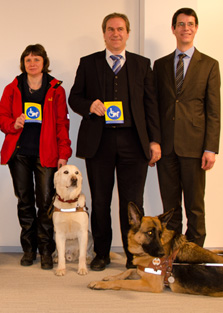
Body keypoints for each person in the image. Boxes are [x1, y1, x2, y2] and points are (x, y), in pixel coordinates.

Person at [69, 13, 161, 271]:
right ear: (104, 33)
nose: (116, 34)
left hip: (134, 143)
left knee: (132, 204)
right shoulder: (88, 63)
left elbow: (151, 106)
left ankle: (134, 255)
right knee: (100, 201)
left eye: (120, 29)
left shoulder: (143, 65)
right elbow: (74, 98)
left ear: (128, 33)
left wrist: (155, 141)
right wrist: (90, 105)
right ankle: (101, 253)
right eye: (111, 29)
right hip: (100, 143)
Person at [0, 44, 72, 270]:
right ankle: (28, 249)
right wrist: (13, 123)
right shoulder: (13, 87)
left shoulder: (55, 88)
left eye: (36, 59)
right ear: (23, 63)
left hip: (46, 153)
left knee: (46, 202)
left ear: (44, 63)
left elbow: (62, 123)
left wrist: (63, 153)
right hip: (19, 153)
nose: (32, 63)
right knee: (24, 201)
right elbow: (1, 117)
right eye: (28, 60)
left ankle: (46, 250)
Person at [154, 8, 220, 247]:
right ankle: (173, 254)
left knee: (195, 206)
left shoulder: (209, 65)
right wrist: (154, 142)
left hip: (195, 146)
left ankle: (194, 254)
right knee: (170, 208)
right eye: (181, 24)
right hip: (166, 147)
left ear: (196, 28)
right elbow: (155, 107)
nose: (185, 28)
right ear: (173, 29)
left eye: (190, 24)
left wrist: (210, 148)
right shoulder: (160, 65)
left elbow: (214, 110)